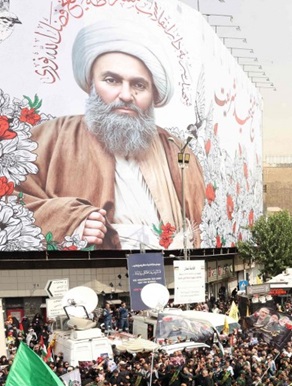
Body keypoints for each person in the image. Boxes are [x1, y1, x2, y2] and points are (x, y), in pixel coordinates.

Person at [16, 20, 205, 250]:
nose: (126, 95)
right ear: (91, 83)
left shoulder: (176, 150)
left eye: (139, 85)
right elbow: (11, 200)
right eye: (111, 80)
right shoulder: (51, 137)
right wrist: (72, 221)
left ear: (153, 93)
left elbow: (197, 222)